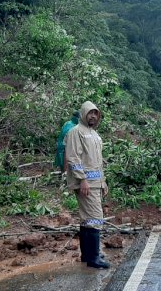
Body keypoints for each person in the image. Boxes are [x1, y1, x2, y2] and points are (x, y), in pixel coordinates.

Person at [64, 101, 110, 269]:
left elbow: (98, 162)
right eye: (90, 113)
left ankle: (88, 255)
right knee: (95, 218)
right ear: (83, 113)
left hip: (96, 183)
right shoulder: (76, 132)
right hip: (86, 184)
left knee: (87, 219)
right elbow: (73, 158)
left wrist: (103, 182)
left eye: (95, 113)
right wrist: (82, 179)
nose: (93, 116)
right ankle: (93, 258)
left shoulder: (94, 134)